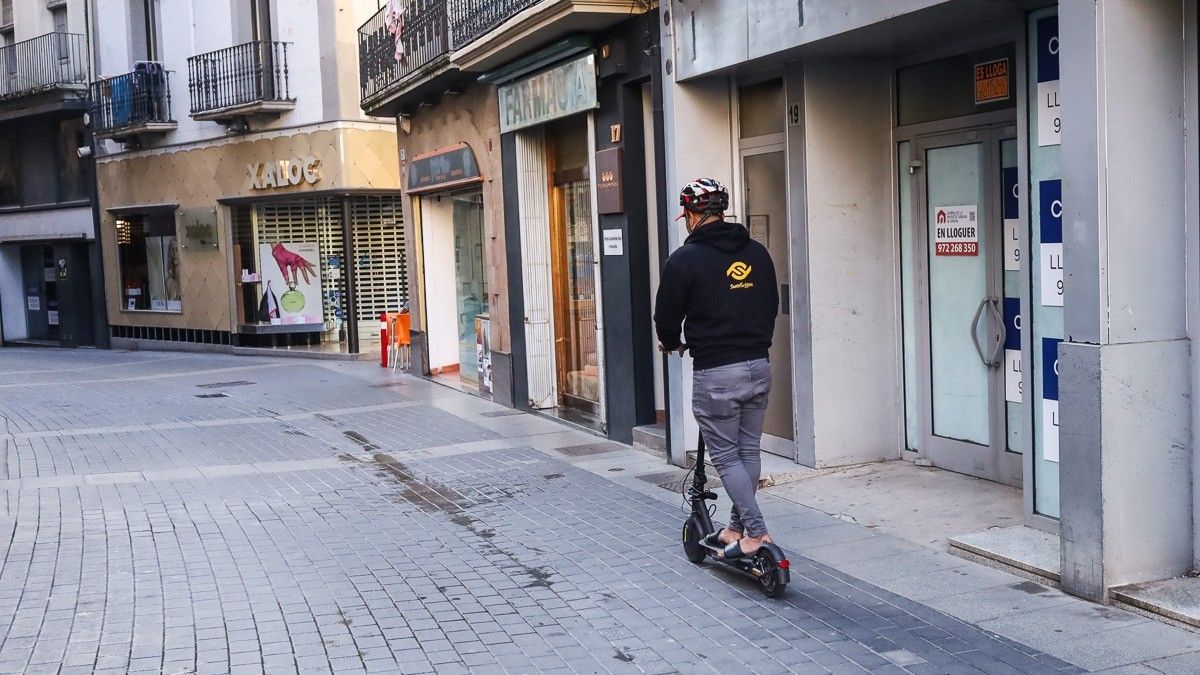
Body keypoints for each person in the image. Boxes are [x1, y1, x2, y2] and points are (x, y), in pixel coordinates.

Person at [654, 178, 779, 559]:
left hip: (717, 374)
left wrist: (673, 342)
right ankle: (735, 528)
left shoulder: (684, 260)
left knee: (726, 457)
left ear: (692, 215)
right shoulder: (757, 253)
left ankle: (756, 534)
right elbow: (771, 303)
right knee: (748, 450)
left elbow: (666, 316)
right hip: (759, 365)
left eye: (686, 216)